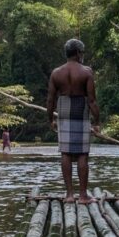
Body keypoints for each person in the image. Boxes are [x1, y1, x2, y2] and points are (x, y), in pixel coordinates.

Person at [47, 38, 100, 204]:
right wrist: (97, 122)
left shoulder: (56, 73)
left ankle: (69, 195)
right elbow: (91, 101)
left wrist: (50, 119)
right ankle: (83, 195)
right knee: (83, 154)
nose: (82, 55)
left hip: (63, 112)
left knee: (66, 153)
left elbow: (50, 100)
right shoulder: (86, 72)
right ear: (78, 53)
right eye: (82, 52)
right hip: (80, 112)